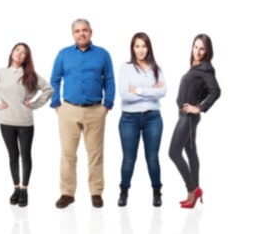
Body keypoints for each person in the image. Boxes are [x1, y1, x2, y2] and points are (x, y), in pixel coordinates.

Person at [50, 18, 115, 209]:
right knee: (68, 154)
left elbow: (109, 81)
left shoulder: (103, 55)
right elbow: (54, 80)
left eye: (84, 30)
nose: (81, 34)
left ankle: (96, 192)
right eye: (77, 31)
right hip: (68, 110)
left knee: (95, 154)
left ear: (91, 32)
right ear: (73, 34)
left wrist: (107, 106)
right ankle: (67, 193)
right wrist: (57, 105)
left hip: (96, 110)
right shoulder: (63, 54)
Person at [0, 42, 53, 207]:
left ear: (27, 58)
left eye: (24, 52)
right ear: (12, 52)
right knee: (13, 156)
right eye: (18, 50)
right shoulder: (1, 73)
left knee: (25, 156)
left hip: (25, 122)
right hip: (6, 121)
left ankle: (25, 189)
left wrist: (33, 104)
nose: (20, 54)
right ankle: (16, 188)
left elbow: (48, 89)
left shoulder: (30, 74)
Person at [169, 34, 220, 209]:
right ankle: (194, 192)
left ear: (207, 51)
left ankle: (193, 189)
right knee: (190, 151)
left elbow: (215, 91)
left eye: (202, 48)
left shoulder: (205, 68)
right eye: (195, 47)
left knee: (173, 152)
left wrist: (199, 107)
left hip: (189, 117)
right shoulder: (196, 67)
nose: (197, 51)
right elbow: (203, 89)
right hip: (185, 115)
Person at [117, 32, 167, 207]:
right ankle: (123, 191)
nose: (140, 50)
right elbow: (124, 94)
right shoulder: (126, 68)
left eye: (143, 46)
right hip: (129, 119)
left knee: (152, 158)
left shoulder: (156, 68)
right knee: (128, 159)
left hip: (153, 118)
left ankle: (157, 192)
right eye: (137, 46)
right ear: (132, 48)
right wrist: (149, 91)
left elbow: (162, 92)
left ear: (149, 48)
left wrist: (136, 90)